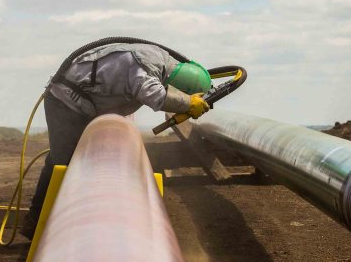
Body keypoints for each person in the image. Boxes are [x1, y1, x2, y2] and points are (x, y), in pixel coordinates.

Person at [22, 41, 212, 239]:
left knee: (79, 163)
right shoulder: (146, 65)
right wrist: (187, 102)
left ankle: (72, 223)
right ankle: (44, 227)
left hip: (86, 101)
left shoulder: (161, 62)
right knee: (64, 165)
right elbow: (153, 94)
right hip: (66, 102)